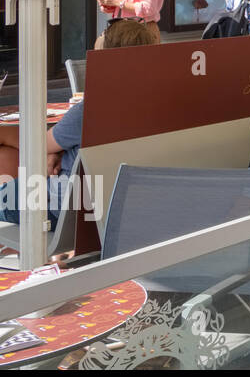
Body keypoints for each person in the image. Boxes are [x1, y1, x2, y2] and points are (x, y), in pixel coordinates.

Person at [0, 21, 160, 231]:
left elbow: (36, 145)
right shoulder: (152, 103)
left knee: (5, 177)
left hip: (65, 206)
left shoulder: (93, 108)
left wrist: (4, 134)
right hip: (116, 204)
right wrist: (58, 152)